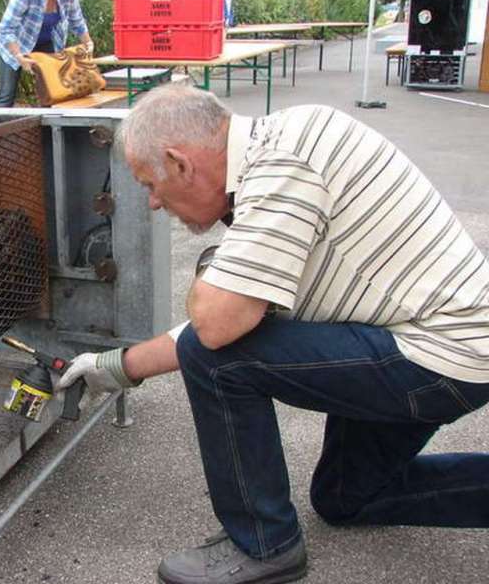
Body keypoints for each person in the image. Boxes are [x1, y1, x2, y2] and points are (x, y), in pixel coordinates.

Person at [57, 83, 489, 584]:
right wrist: (114, 368)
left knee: (217, 358)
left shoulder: (282, 168)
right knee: (346, 499)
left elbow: (215, 331)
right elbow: (236, 319)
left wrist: (216, 260)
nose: (153, 203)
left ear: (179, 163)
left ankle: (264, 545)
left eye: (150, 184)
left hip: (440, 355)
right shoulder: (282, 147)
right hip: (424, 338)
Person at [0, 0, 94, 107]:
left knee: (50, 93)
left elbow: (77, 20)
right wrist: (19, 56)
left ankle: (47, 126)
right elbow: (6, 29)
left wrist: (88, 44)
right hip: (15, 45)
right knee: (6, 96)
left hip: (47, 43)